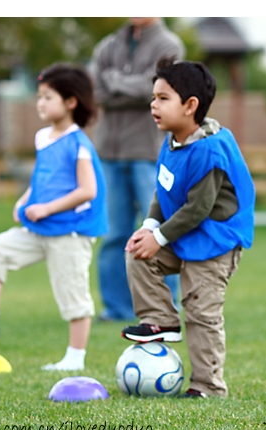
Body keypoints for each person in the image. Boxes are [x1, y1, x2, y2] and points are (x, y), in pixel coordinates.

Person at [0, 63, 108, 371]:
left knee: (73, 296)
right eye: (39, 97)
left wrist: (46, 208)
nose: (40, 103)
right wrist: (25, 200)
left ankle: (74, 359)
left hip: (69, 232)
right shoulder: (42, 137)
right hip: (39, 230)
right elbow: (42, 178)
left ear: (71, 102)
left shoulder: (78, 143)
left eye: (48, 97)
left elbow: (88, 190)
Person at [121, 57, 255, 398]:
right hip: (185, 234)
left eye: (163, 98)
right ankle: (161, 319)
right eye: (153, 97)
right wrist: (149, 226)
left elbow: (198, 208)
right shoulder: (174, 141)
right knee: (138, 254)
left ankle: (208, 386)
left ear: (190, 105)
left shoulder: (208, 149)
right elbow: (163, 189)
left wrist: (160, 237)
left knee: (200, 311)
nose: (153, 104)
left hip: (215, 242)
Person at [88, 17, 185, 322]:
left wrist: (114, 81)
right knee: (115, 234)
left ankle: (165, 307)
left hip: (148, 153)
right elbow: (95, 90)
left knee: (158, 230)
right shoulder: (107, 45)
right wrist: (132, 86)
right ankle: (116, 308)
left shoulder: (169, 45)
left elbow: (153, 91)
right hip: (109, 154)